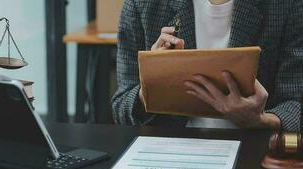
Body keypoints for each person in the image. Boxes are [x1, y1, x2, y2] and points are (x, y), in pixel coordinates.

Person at [111, 0, 303, 132]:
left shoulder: (286, 5)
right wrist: (150, 91)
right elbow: (120, 108)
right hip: (168, 149)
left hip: (253, 150)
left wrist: (261, 120)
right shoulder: (143, 4)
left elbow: (296, 104)